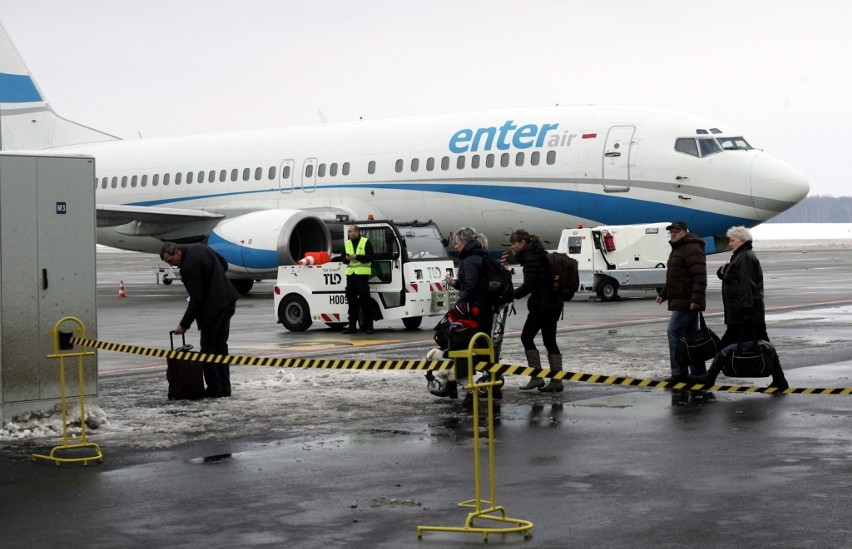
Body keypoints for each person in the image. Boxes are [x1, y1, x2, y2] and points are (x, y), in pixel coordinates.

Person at [701, 226, 789, 389]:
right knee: (763, 344)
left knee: (727, 345)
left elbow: (746, 285)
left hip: (745, 313)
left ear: (742, 240)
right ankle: (780, 379)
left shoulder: (745, 258)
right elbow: (729, 277)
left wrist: (746, 309)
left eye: (732, 240)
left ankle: (709, 378)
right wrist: (723, 269)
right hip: (745, 312)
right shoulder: (740, 256)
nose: (729, 244)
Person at [160, 242, 240, 397]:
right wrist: (215, 281)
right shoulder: (200, 247)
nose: (173, 265)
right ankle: (225, 387)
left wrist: (184, 324)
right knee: (221, 346)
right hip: (228, 300)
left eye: (171, 261)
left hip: (213, 308)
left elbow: (196, 299)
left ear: (177, 252)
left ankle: (215, 389)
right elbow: (223, 263)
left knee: (208, 348)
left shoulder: (188, 267)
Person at [430, 227, 494, 399]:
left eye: (457, 242)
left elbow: (472, 287)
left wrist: (459, 305)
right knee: (468, 346)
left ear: (465, 242)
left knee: (455, 342)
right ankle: (463, 383)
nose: (455, 246)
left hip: (473, 311)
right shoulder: (479, 256)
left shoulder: (470, 260)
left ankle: (457, 384)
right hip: (481, 309)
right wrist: (457, 284)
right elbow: (472, 284)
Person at [509, 229, 564, 392]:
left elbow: (529, 284)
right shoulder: (541, 254)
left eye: (514, 244)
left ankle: (536, 377)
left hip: (542, 305)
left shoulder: (530, 258)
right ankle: (556, 380)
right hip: (554, 304)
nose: (513, 247)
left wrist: (511, 295)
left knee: (526, 337)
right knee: (549, 341)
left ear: (522, 243)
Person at [655, 221, 707, 383]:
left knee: (674, 332)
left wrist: (696, 300)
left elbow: (699, 276)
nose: (673, 234)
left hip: (687, 301)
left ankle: (679, 373)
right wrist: (663, 294)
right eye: (671, 232)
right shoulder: (679, 248)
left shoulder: (691, 248)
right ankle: (698, 373)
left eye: (676, 231)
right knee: (692, 337)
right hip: (683, 300)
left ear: (685, 232)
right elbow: (675, 276)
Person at [341, 224, 375, 334]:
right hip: (351, 276)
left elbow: (370, 257)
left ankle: (369, 326)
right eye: (348, 232)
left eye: (350, 231)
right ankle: (352, 326)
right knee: (351, 302)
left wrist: (357, 257)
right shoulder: (347, 244)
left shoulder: (365, 242)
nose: (349, 233)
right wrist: (347, 258)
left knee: (365, 302)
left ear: (356, 232)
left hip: (362, 277)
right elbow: (343, 259)